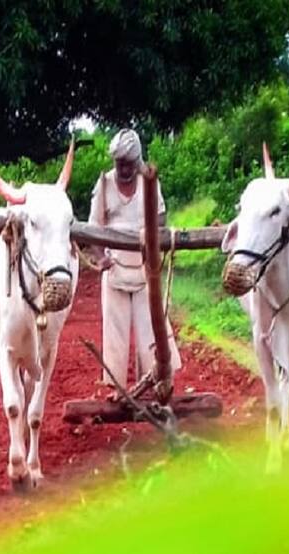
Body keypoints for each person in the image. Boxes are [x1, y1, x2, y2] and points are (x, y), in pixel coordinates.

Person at [88, 128, 182, 392]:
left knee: (151, 333)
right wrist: (99, 257)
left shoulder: (148, 182)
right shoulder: (104, 184)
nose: (124, 170)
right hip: (115, 269)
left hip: (145, 271)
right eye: (119, 164)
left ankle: (155, 384)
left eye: (129, 164)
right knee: (115, 337)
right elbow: (92, 227)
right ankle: (116, 389)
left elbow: (160, 219)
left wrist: (148, 240)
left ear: (137, 162)